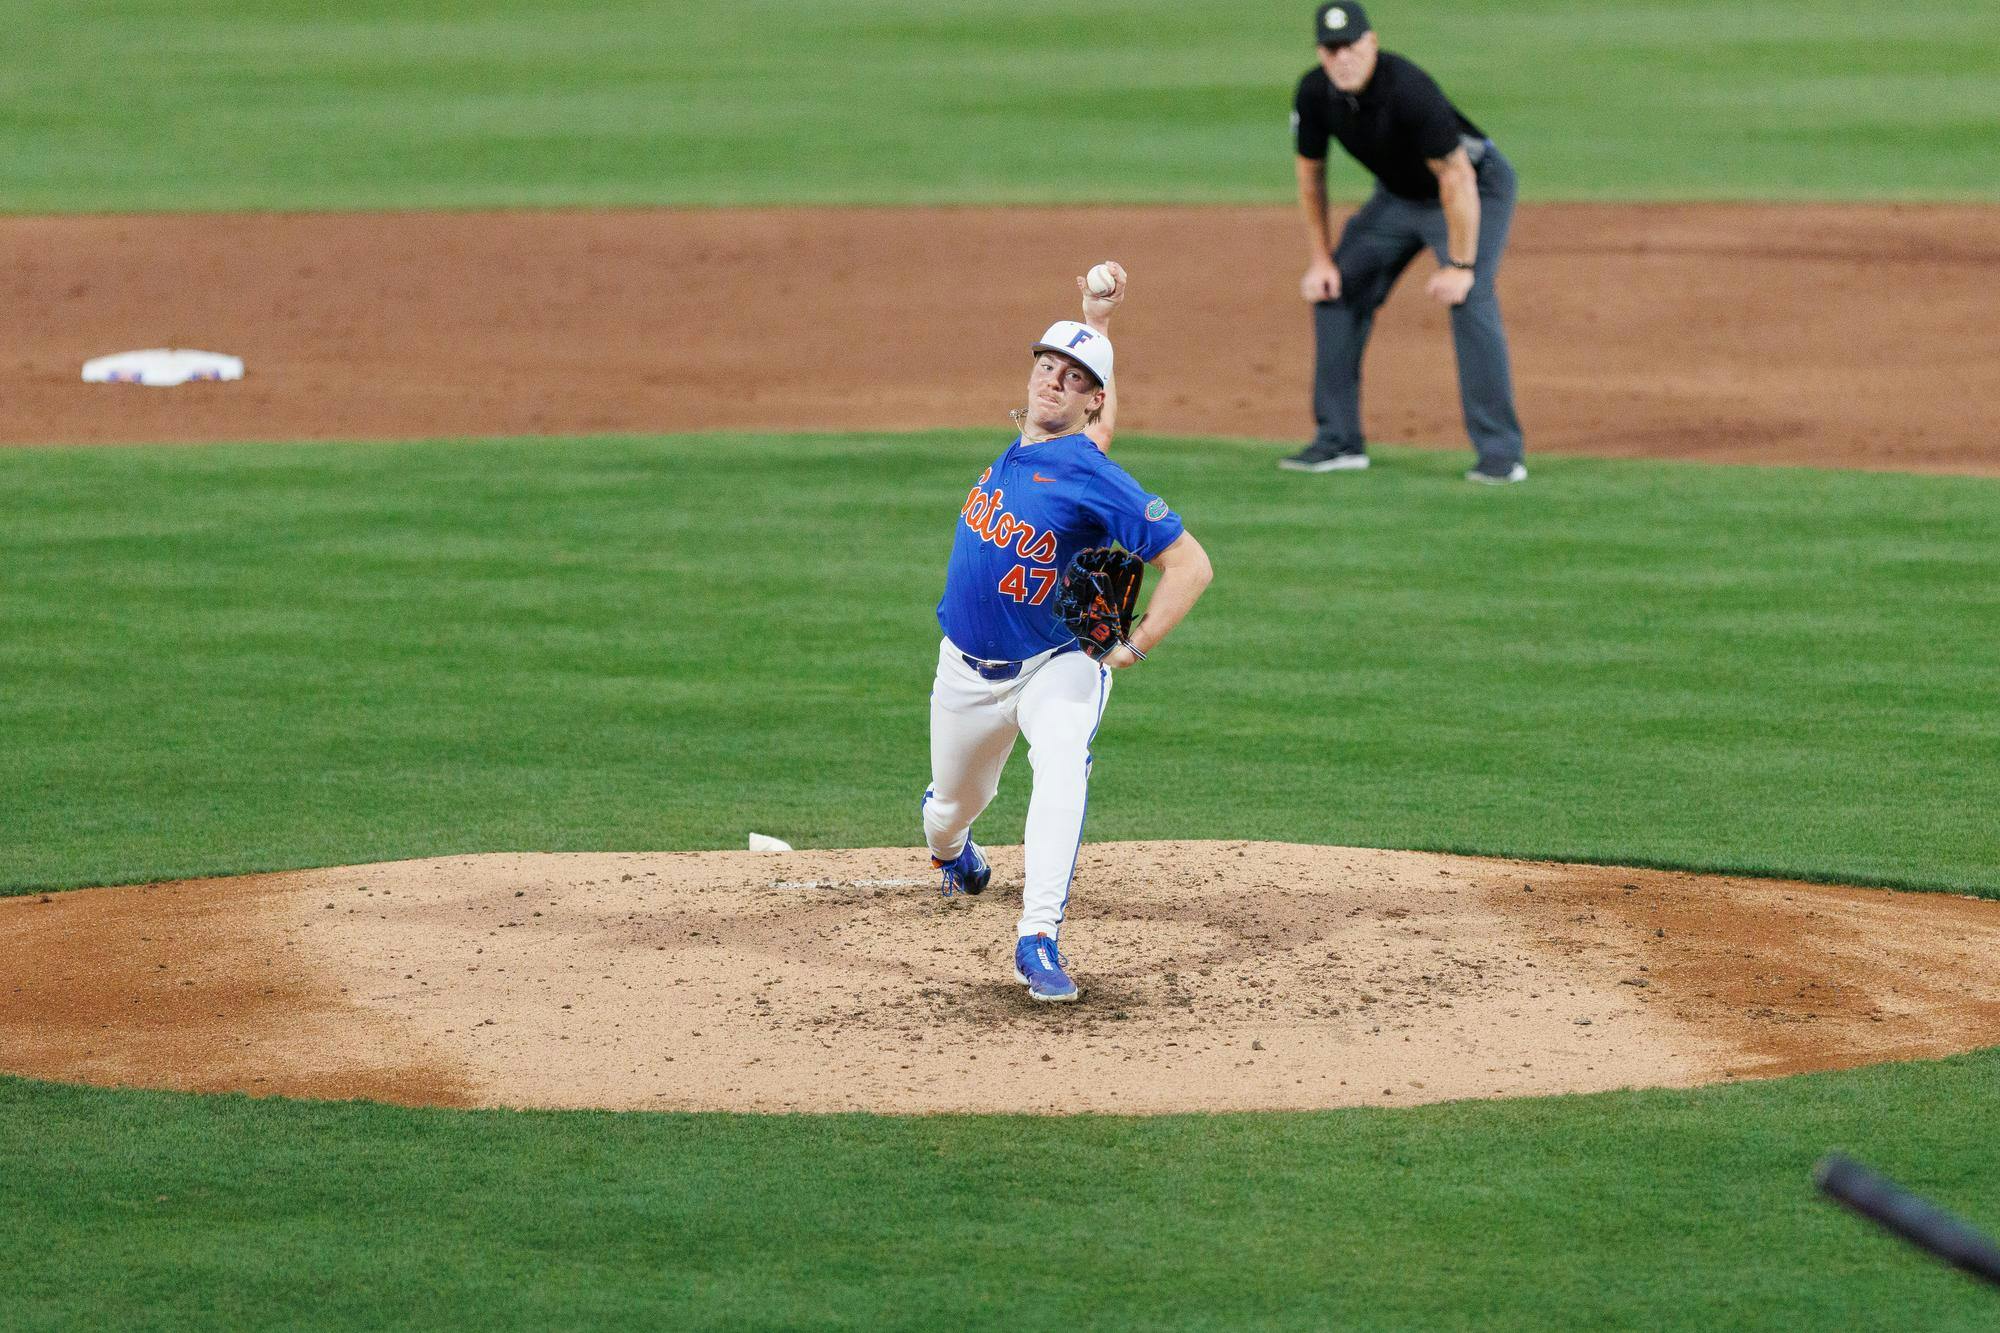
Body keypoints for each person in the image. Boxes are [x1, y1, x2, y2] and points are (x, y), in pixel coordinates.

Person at [921, 263, 1213, 1003]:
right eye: (1047, 365)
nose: (1054, 378)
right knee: (948, 811)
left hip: (1056, 660)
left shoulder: (1092, 473)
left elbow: (1191, 565)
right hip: (963, 674)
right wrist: (1097, 323)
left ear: (1090, 398)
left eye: (1074, 375)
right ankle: (954, 855)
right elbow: (1097, 430)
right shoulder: (1035, 444)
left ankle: (1037, 936)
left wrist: (1133, 644)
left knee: (1061, 756)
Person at [1279, 1, 1529, 484]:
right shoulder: (1314, 93)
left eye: (1350, 45)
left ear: (1371, 43)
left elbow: (1456, 178)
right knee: (1338, 287)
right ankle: (1338, 441)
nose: (1342, 58)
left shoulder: (1409, 89)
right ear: (1319, 53)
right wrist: (1321, 259)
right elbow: (1311, 178)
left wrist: (1459, 263)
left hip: (1475, 187)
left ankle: (1501, 453)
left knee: (1470, 296)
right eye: (1331, 50)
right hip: (1397, 199)